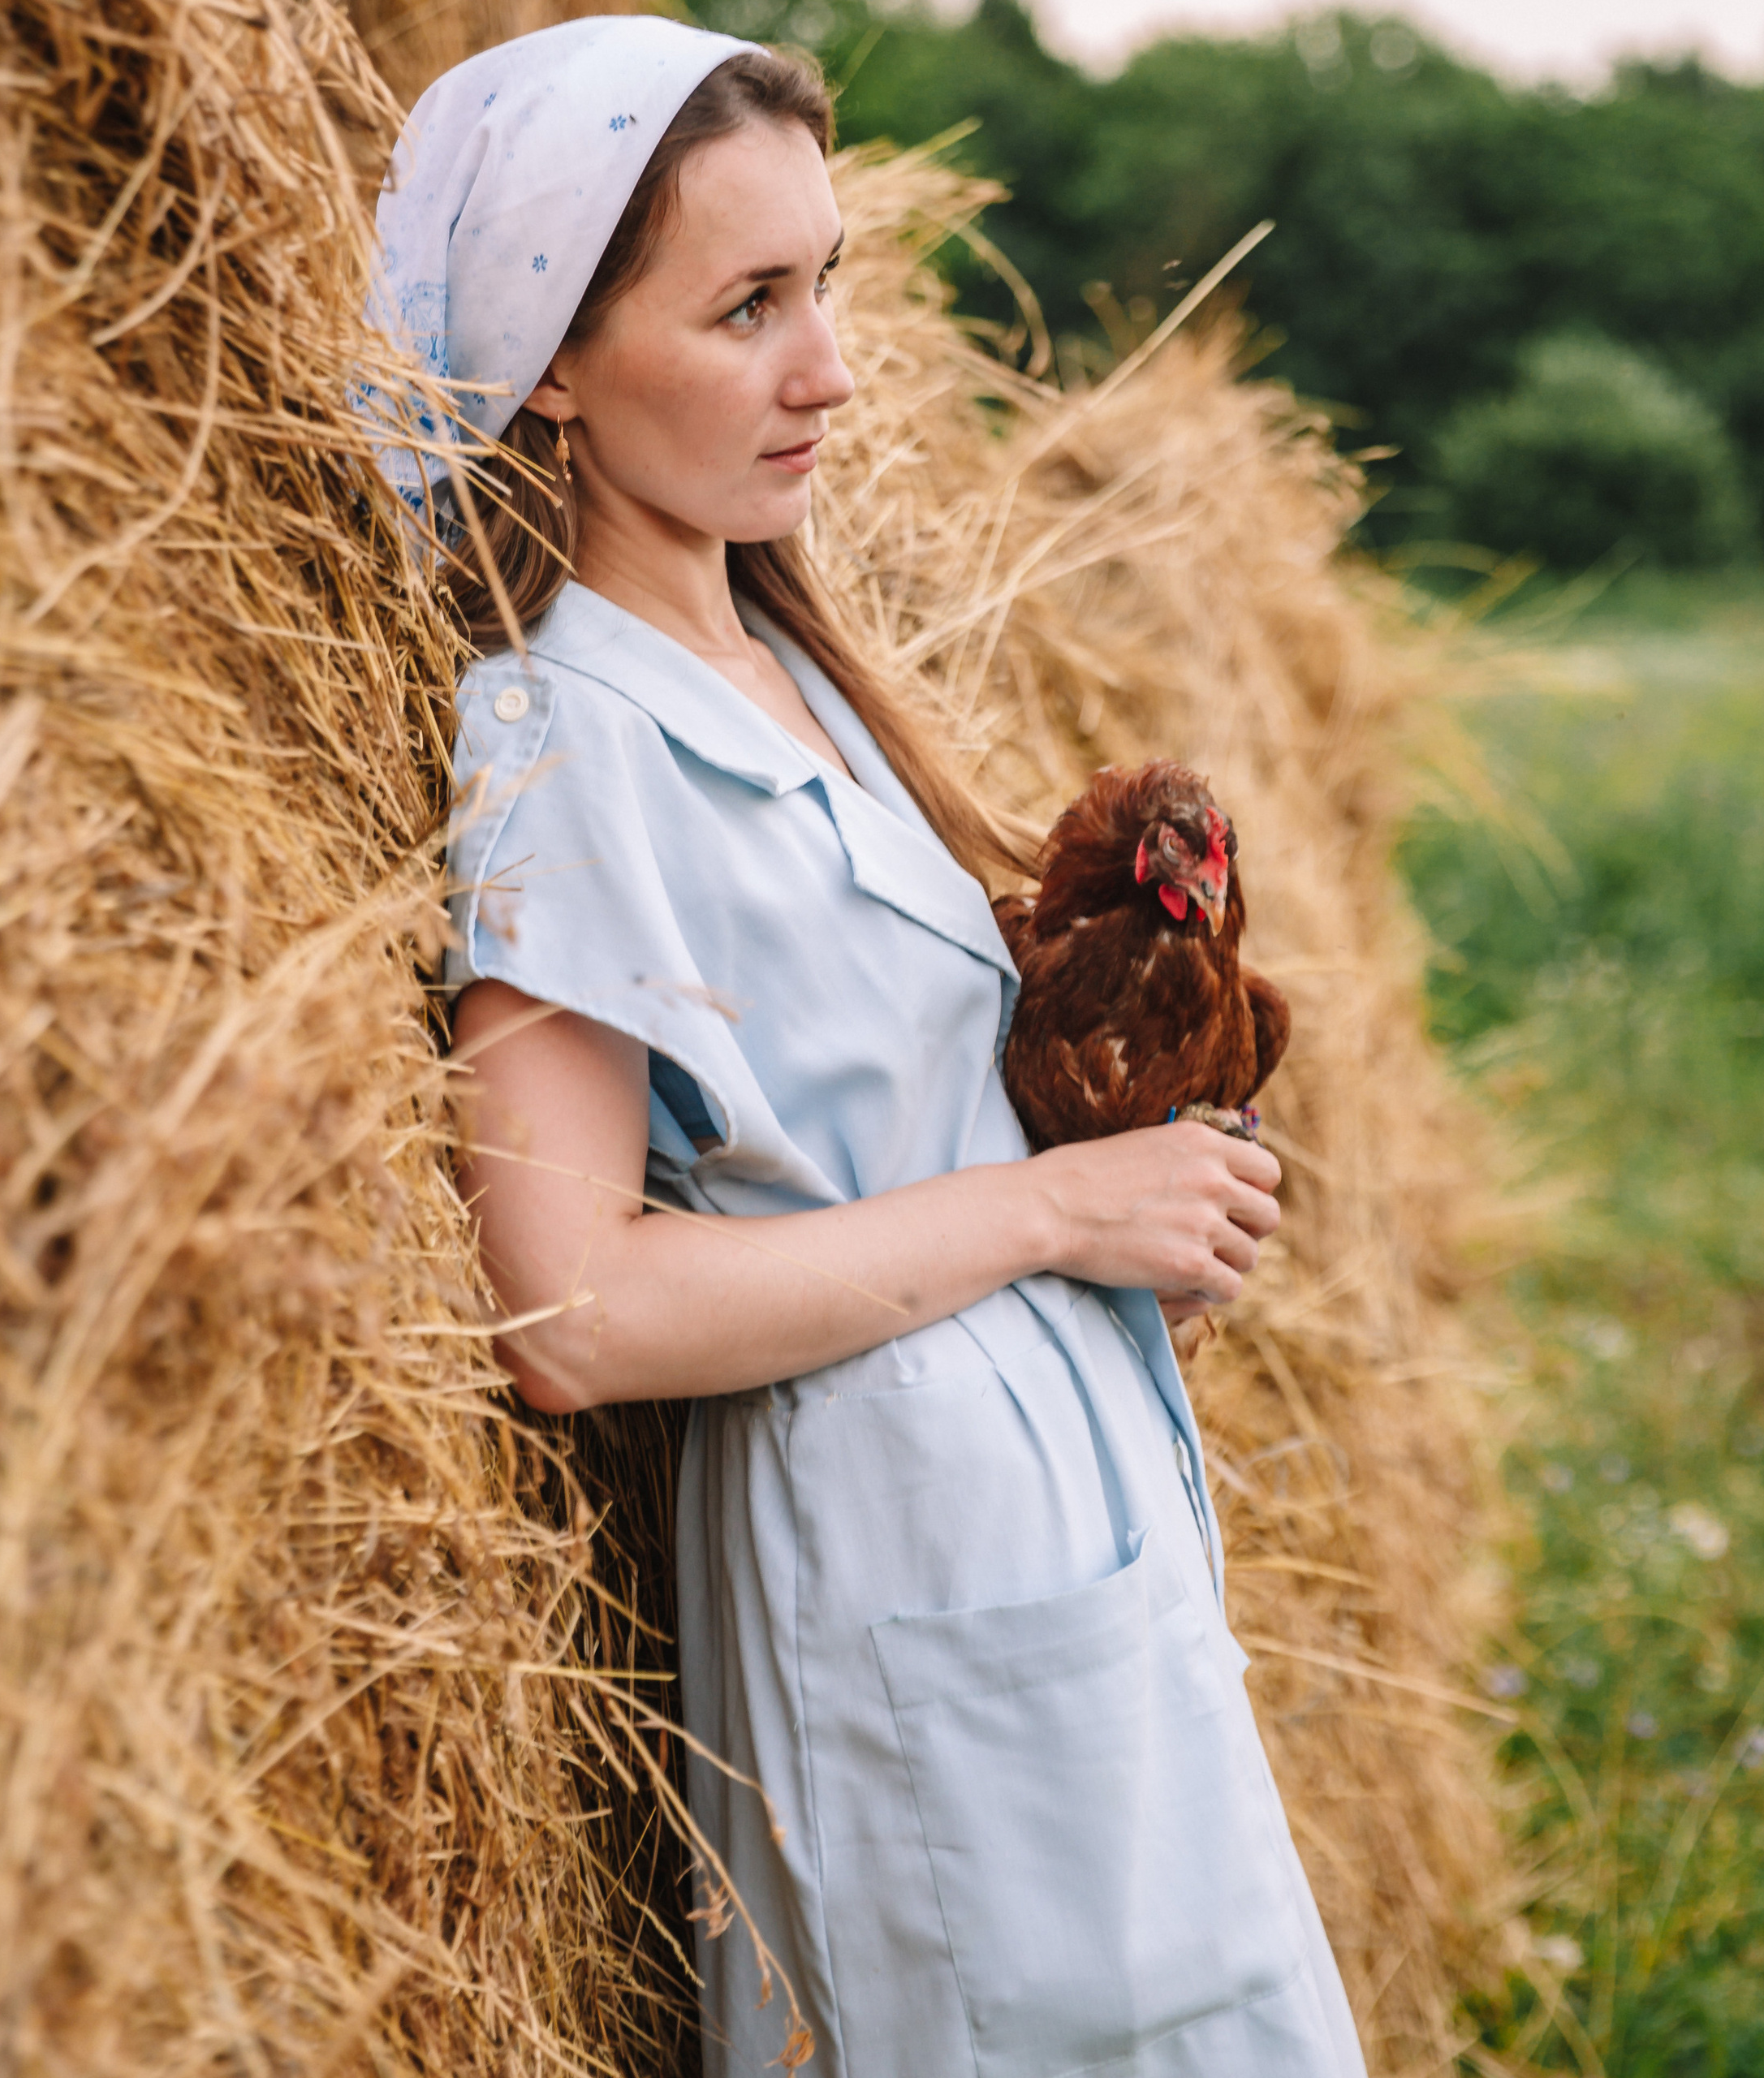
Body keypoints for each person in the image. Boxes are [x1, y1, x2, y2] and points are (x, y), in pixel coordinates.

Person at [365, 18, 1368, 2076]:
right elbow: (567, 1307)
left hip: (1044, 1537)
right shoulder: (572, 738)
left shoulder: (793, 672)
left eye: (822, 281)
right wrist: (1055, 1203)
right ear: (551, 357)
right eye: (744, 307)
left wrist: (1126, 1140)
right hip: (897, 1574)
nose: (826, 364)